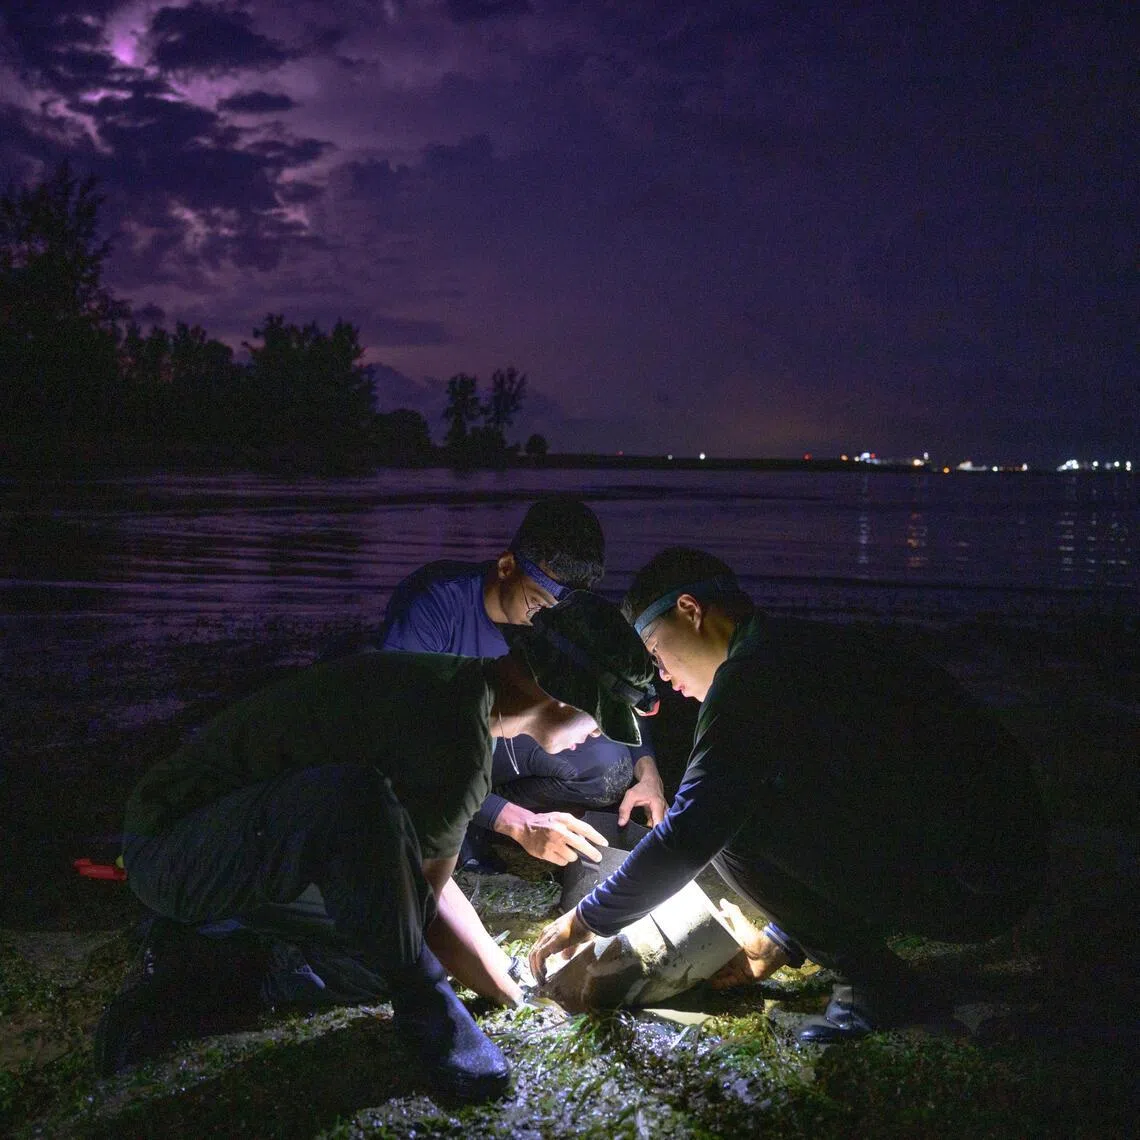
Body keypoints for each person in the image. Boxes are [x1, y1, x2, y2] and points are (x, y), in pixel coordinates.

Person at [97, 591, 657, 1099]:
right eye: (601, 721)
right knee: (361, 833)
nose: (597, 736)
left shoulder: (456, 693)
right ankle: (182, 984)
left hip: (243, 845)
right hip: (176, 849)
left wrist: (507, 979)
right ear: (561, 696)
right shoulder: (455, 738)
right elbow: (418, 913)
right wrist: (508, 997)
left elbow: (414, 891)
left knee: (378, 951)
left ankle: (224, 952)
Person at [530, 548, 1047, 1044]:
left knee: (735, 826)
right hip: (1002, 863)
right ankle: (846, 957)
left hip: (975, 883)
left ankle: (875, 985)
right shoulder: (797, 647)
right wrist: (781, 938)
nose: (662, 676)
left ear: (689, 610)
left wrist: (587, 918)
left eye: (656, 652)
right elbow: (852, 799)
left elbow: (689, 831)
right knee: (754, 796)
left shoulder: (750, 679)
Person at [379, 497, 668, 869]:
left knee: (610, 765)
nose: (547, 624)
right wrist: (517, 823)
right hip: (439, 742)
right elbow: (400, 737)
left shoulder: (563, 621)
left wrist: (649, 772)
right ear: (507, 567)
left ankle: (486, 817)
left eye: (562, 612)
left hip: (508, 745)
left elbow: (614, 681)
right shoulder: (434, 604)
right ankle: (477, 817)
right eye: (538, 604)